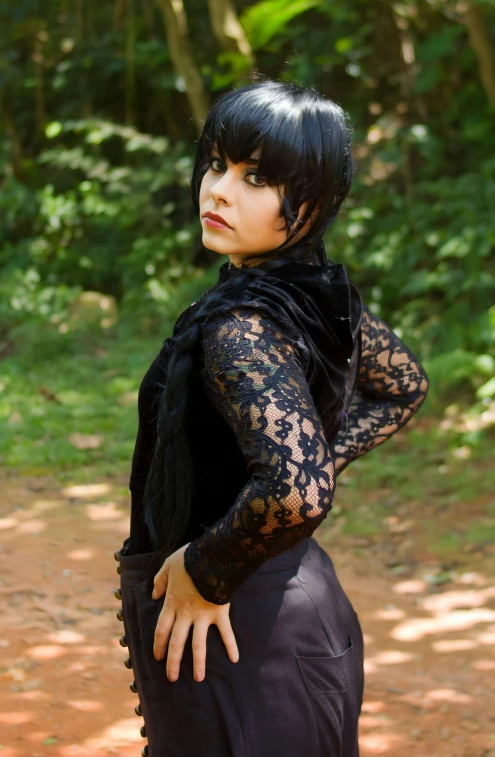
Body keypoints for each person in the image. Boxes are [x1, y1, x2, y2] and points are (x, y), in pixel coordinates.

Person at [113, 80, 429, 757]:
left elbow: (298, 488)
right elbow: (405, 387)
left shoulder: (243, 323)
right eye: (218, 164)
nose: (218, 190)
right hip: (300, 606)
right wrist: (318, 449)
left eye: (255, 176)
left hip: (239, 628)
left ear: (314, 203)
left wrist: (206, 570)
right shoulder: (316, 294)